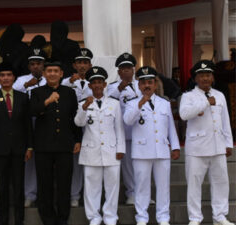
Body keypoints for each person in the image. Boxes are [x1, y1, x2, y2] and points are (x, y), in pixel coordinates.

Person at [123, 66, 180, 225]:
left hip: (161, 150)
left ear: (155, 84)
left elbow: (170, 127)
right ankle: (141, 218)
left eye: (150, 82)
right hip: (141, 152)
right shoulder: (132, 103)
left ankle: (163, 218)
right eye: (143, 83)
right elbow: (127, 120)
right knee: (141, 187)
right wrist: (140, 103)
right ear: (138, 85)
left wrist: (175, 146)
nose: (147, 85)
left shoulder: (164, 103)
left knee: (163, 187)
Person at [179, 60, 234, 225]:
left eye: (208, 75)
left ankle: (220, 216)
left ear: (212, 77)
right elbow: (184, 114)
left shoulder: (220, 95)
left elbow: (226, 121)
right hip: (197, 148)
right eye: (202, 75)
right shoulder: (188, 96)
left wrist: (228, 143)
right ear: (196, 79)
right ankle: (195, 218)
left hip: (218, 146)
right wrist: (205, 103)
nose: (205, 79)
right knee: (194, 184)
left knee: (221, 182)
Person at [0, 62, 33, 225]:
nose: (6, 78)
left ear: (14, 78)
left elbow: (28, 123)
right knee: (1, 188)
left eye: (9, 75)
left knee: (18, 187)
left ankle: (19, 220)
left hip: (19, 149)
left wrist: (29, 146)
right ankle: (2, 221)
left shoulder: (23, 97)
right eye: (2, 75)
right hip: (0, 149)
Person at [30, 61, 82, 225]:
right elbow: (32, 111)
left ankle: (62, 218)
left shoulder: (69, 93)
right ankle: (48, 218)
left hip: (64, 145)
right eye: (49, 71)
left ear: (61, 74)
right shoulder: (37, 92)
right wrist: (47, 101)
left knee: (64, 183)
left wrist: (78, 139)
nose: (52, 74)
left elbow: (75, 118)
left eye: (55, 71)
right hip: (43, 145)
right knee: (44, 183)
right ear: (44, 74)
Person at [74, 66, 125, 225]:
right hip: (91, 151)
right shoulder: (83, 102)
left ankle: (110, 217)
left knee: (112, 186)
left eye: (100, 82)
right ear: (89, 86)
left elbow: (119, 128)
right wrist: (84, 108)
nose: (97, 85)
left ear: (104, 84)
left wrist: (120, 148)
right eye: (94, 82)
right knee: (92, 187)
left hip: (111, 150)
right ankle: (94, 217)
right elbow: (78, 123)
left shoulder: (114, 104)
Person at [12, 47, 47, 207]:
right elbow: (11, 94)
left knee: (45, 161)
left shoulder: (50, 78)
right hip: (26, 124)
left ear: (43, 65)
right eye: (32, 64)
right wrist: (27, 85)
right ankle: (29, 194)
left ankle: (44, 194)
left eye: (38, 63)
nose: (35, 67)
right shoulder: (21, 80)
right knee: (29, 162)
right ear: (29, 66)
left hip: (45, 123)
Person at [106, 52, 140, 205]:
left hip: (141, 132)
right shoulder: (112, 87)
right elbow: (107, 102)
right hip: (123, 133)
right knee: (127, 167)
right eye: (123, 68)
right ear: (118, 71)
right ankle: (131, 193)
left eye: (129, 68)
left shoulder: (141, 85)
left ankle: (142, 194)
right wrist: (120, 87)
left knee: (141, 166)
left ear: (133, 70)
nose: (126, 71)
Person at [61, 47, 93, 207]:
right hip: (71, 127)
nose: (82, 66)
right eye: (79, 62)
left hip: (91, 128)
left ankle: (89, 196)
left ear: (90, 65)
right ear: (74, 65)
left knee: (89, 164)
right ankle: (74, 195)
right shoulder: (65, 82)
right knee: (73, 163)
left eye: (85, 63)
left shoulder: (95, 83)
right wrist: (69, 83)